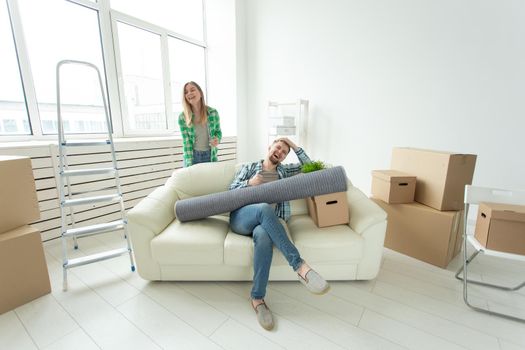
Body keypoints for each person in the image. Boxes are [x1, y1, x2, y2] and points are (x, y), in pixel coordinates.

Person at [229, 138, 330, 331]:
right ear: (269, 147)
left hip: (266, 225)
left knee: (264, 237)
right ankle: (300, 266)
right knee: (263, 208)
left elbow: (312, 168)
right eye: (278, 147)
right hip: (242, 218)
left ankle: (257, 299)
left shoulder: (284, 172)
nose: (280, 152)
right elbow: (230, 192)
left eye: (284, 152)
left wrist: (293, 144)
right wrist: (251, 183)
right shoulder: (250, 167)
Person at [178, 81, 222, 167]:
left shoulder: (213, 113)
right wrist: (189, 164)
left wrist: (217, 139)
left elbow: (218, 132)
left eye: (192, 90)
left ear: (200, 93)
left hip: (210, 156)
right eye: (186, 92)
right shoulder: (182, 117)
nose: (189, 93)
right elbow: (186, 142)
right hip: (193, 156)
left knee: (210, 180)